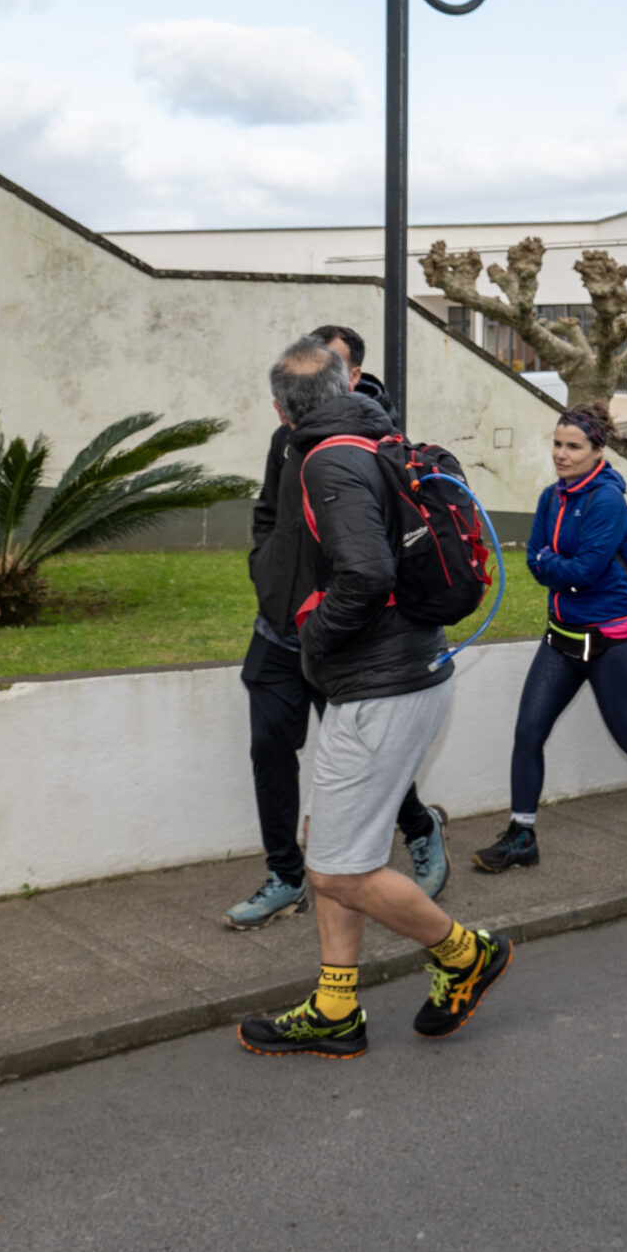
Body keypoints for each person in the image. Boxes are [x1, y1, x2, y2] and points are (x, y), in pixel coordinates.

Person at [237, 337, 511, 1058]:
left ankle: (465, 953)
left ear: (281, 410)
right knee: (337, 847)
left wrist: (315, 640)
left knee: (335, 869)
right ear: (344, 386)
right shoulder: (376, 439)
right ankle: (336, 1007)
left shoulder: (327, 461)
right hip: (399, 674)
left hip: (379, 687)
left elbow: (365, 572)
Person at [227, 323, 449, 930]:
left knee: (365, 767)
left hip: (342, 638)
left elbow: (372, 567)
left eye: (336, 365)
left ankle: (418, 827)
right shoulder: (286, 441)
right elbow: (270, 515)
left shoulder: (373, 442)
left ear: (353, 376)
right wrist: (268, 572)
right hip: (279, 631)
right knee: (271, 751)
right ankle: (285, 875)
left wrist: (322, 633)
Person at [472, 404, 627, 875]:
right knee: (528, 732)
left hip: (610, 643)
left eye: (573, 446)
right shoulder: (550, 497)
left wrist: (551, 564)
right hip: (561, 638)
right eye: (557, 444)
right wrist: (554, 567)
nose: (562, 454)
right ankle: (521, 835)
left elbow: (583, 570)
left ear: (598, 451)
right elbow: (536, 563)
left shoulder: (607, 501)